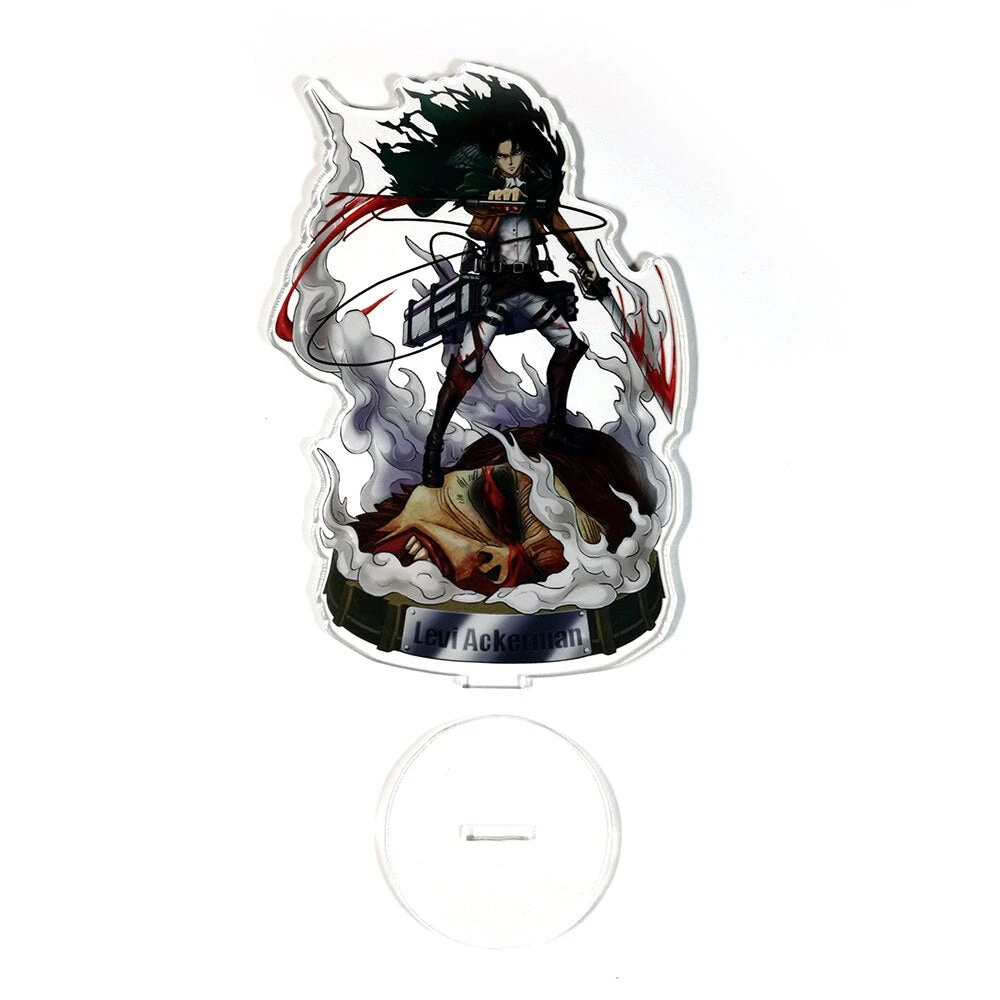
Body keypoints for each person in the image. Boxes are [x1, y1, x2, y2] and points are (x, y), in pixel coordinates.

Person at [373, 77, 603, 487]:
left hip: (530, 287)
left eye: (515, 154)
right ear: (495, 160)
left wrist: (585, 264)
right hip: (495, 292)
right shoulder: (483, 191)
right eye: (503, 156)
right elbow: (475, 221)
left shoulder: (538, 194)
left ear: (523, 155)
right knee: (467, 366)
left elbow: (563, 230)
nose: (510, 162)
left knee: (571, 346)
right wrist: (497, 201)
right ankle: (432, 451)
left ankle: (555, 427)